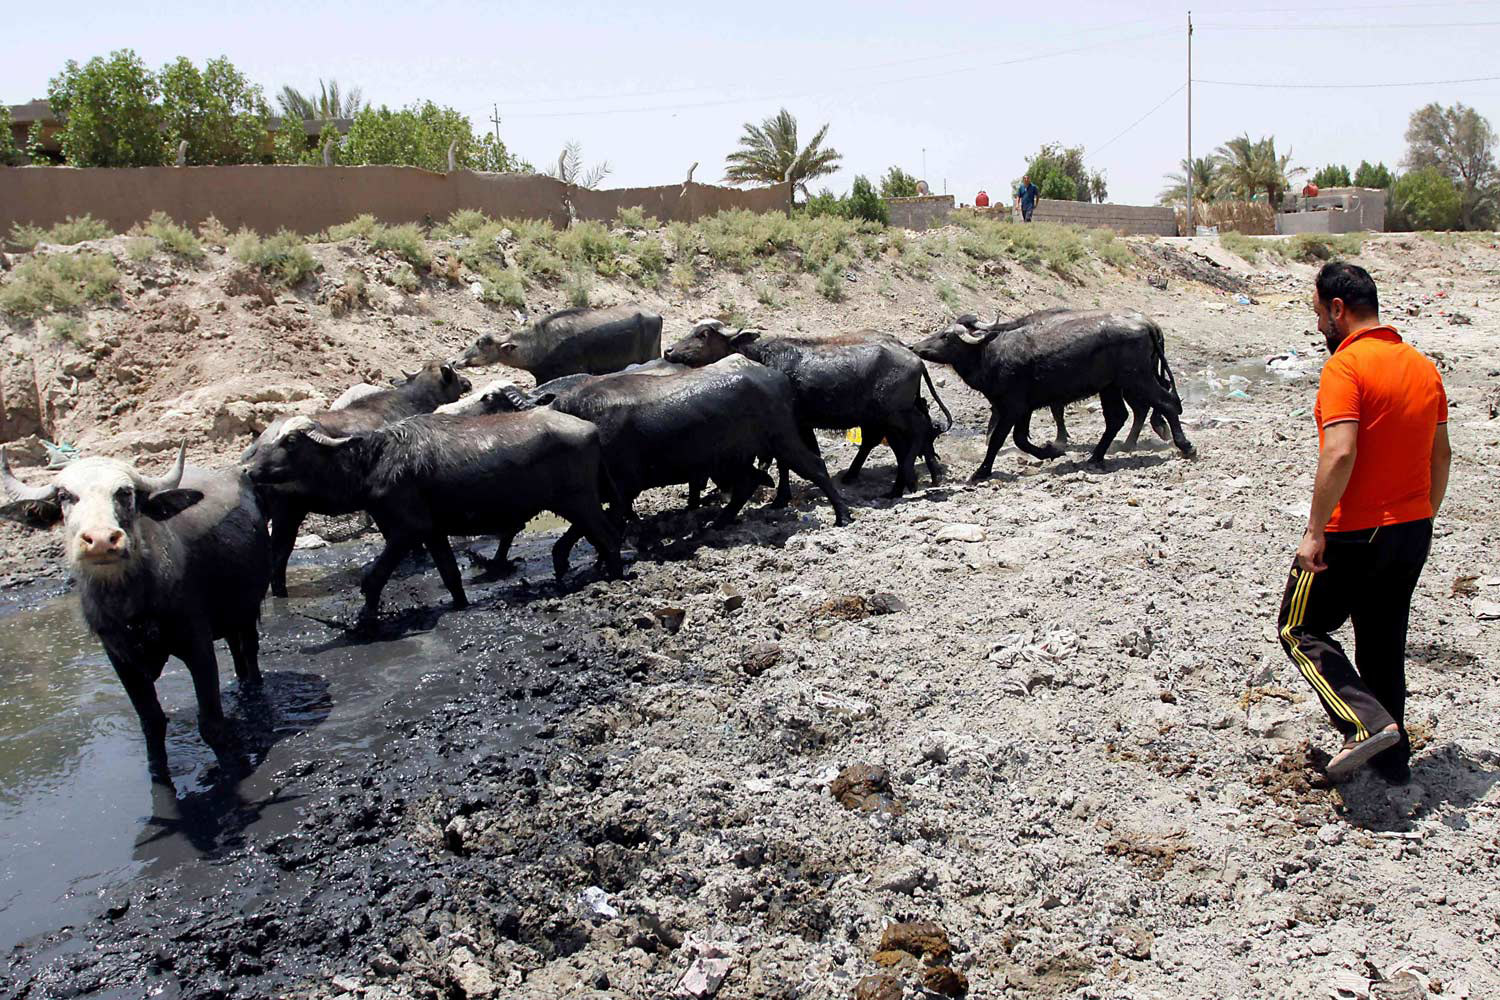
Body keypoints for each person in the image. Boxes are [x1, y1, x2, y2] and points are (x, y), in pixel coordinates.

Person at [1276, 262, 1451, 784]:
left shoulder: (1345, 367)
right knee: (1381, 641)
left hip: (1355, 531)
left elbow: (1340, 451)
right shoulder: (1423, 367)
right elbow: (1441, 455)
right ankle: (1392, 763)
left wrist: (1314, 531)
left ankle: (1365, 723)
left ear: (1338, 309)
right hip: (1412, 528)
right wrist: (1421, 516)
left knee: (1299, 627)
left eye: (1318, 314)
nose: (1318, 327)